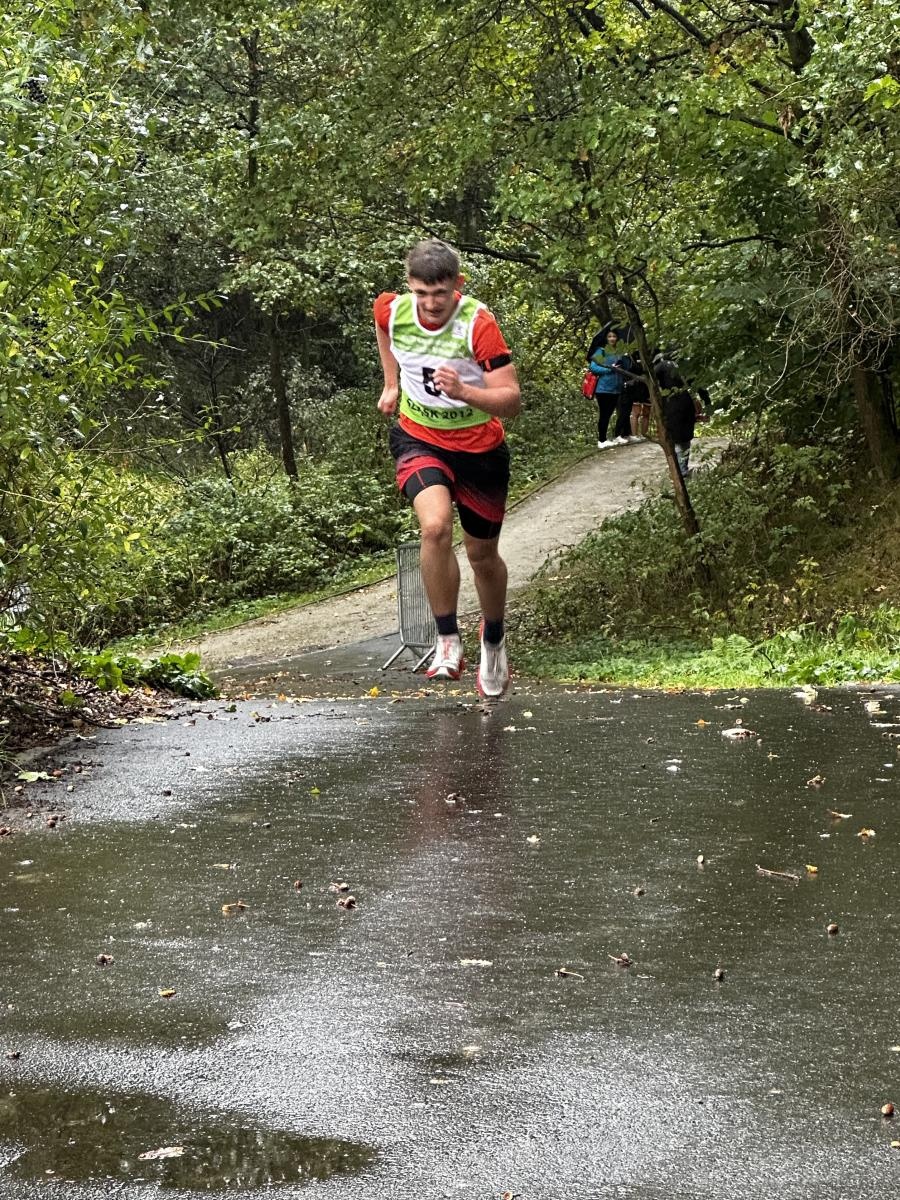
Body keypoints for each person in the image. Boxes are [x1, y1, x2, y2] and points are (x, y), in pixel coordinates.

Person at [374, 239, 521, 697]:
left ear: (457, 285)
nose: (430, 303)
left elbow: (511, 401)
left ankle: (493, 639)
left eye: (439, 292)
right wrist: (391, 382)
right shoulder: (393, 310)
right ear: (409, 288)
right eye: (421, 293)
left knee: (482, 557)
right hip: (419, 437)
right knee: (434, 527)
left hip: (480, 450)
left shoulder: (478, 323)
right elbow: (383, 328)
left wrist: (467, 393)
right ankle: (446, 640)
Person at [654, 352, 705, 476]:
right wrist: (706, 403)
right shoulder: (684, 367)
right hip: (685, 402)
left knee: (675, 438)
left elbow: (651, 381)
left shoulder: (660, 367)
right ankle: (683, 468)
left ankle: (679, 470)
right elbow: (697, 385)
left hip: (670, 403)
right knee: (685, 439)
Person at [588, 329, 631, 449]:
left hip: (616, 388)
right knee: (604, 415)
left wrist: (625, 358)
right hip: (603, 389)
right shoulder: (601, 352)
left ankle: (610, 438)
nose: (612, 338)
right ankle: (601, 440)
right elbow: (593, 368)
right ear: (606, 338)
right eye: (609, 336)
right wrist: (609, 369)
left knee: (610, 413)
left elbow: (626, 367)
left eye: (614, 336)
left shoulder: (618, 352)